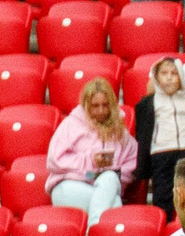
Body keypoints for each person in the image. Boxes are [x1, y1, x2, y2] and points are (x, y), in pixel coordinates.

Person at [47, 77, 139, 220]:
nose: (101, 111)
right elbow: (55, 159)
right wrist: (91, 162)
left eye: (105, 105)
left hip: (104, 185)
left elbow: (132, 163)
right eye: (95, 106)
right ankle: (96, 235)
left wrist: (110, 172)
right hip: (71, 185)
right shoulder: (71, 125)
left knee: (109, 178)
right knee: (114, 203)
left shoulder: (120, 133)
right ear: (86, 105)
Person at [131, 58, 185, 210]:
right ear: (156, 77)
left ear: (181, 76)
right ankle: (165, 224)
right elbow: (142, 133)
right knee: (163, 195)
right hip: (161, 153)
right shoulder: (148, 103)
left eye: (174, 73)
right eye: (164, 73)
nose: (169, 77)